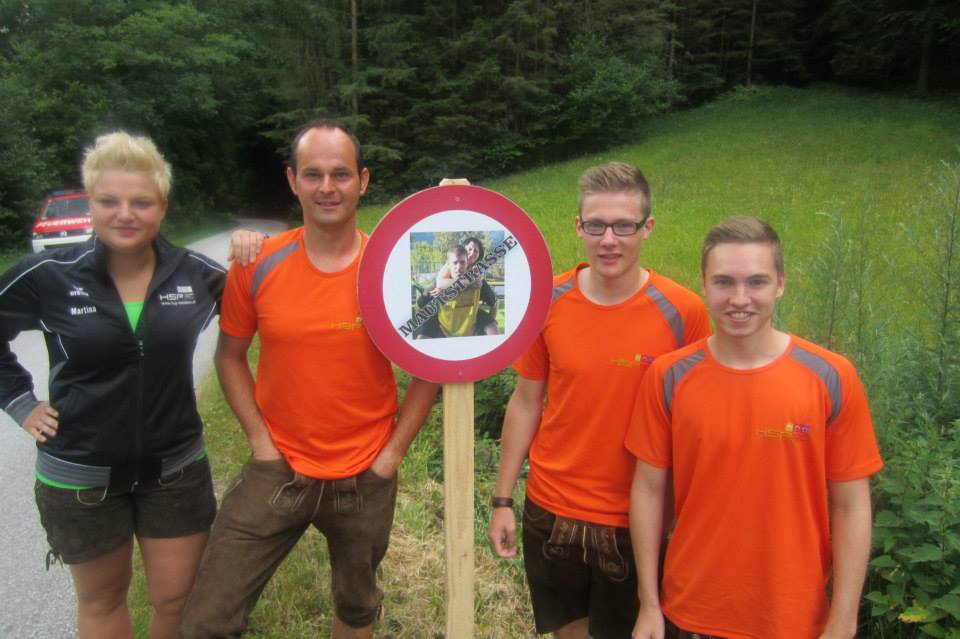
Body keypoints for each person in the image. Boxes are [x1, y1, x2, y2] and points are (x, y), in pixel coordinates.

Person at [180, 120, 438, 639]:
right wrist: (261, 443)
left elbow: (429, 368)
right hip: (279, 468)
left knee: (357, 605)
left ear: (362, 181)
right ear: (292, 181)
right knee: (206, 620)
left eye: (340, 174)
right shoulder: (257, 264)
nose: (327, 187)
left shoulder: (394, 271)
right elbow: (230, 357)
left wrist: (390, 457)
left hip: (366, 473)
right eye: (313, 174)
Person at [0, 131, 225, 639]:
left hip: (175, 471)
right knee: (102, 602)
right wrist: (19, 401)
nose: (125, 214)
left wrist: (255, 246)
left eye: (141, 202)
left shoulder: (199, 276)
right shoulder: (48, 275)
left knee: (176, 599)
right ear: (90, 204)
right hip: (80, 477)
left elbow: (269, 308)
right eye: (109, 201)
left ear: (162, 207)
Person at [627, 216, 883, 639]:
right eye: (724, 282)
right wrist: (649, 605)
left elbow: (851, 506)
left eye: (757, 282)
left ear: (780, 284)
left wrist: (842, 621)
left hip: (794, 618)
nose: (740, 298)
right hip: (689, 611)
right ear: (704, 285)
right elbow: (649, 491)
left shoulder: (831, 377)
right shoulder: (669, 377)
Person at [486, 162, 710, 639]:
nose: (609, 240)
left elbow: (696, 425)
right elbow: (526, 402)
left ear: (647, 228)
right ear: (578, 227)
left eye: (624, 226)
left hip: (638, 522)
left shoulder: (683, 312)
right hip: (552, 512)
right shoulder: (546, 300)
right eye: (596, 226)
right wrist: (503, 499)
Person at [417, 243, 497, 339]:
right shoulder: (439, 284)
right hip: (443, 327)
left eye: (462, 262)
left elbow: (493, 302)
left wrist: (487, 323)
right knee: (421, 339)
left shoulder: (478, 283)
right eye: (455, 263)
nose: (458, 267)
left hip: (469, 328)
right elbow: (421, 303)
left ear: (467, 263)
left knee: (494, 333)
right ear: (448, 264)